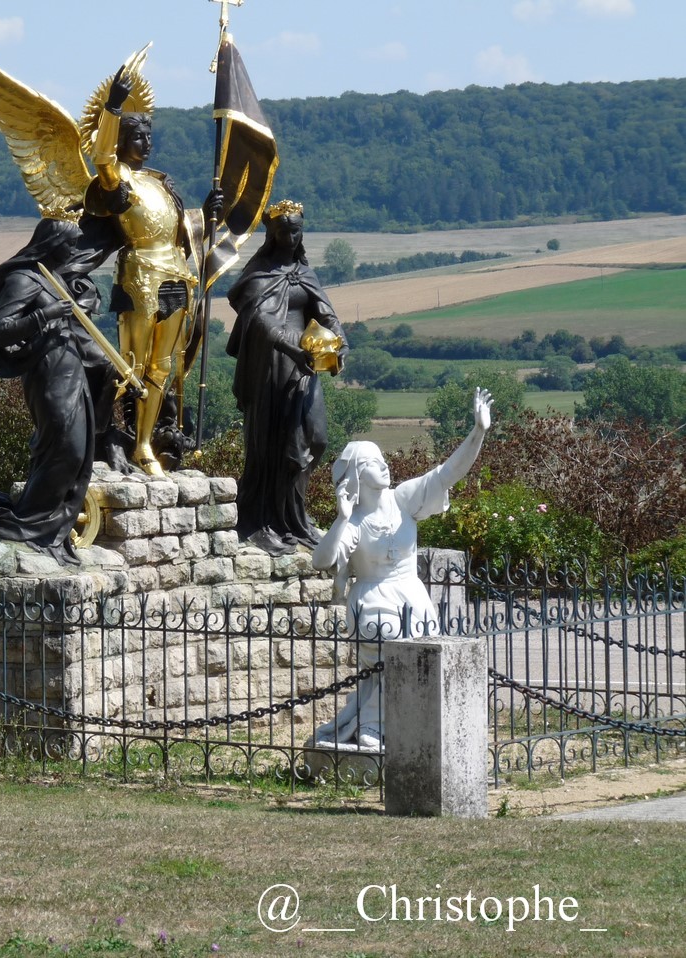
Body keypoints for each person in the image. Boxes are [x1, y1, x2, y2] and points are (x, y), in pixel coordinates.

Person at [309, 388, 494, 749]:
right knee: (390, 647)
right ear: (359, 476)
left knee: (416, 660)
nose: (386, 465)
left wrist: (479, 432)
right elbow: (322, 560)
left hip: (413, 596)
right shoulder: (355, 523)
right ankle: (374, 725)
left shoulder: (403, 500)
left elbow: (447, 474)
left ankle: (397, 722)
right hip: (372, 598)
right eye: (376, 463)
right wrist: (341, 518)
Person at [85, 62, 222, 478]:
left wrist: (206, 213)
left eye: (148, 136)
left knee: (163, 365)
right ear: (122, 140)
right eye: (137, 136)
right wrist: (111, 108)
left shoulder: (162, 184)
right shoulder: (117, 179)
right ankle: (104, 434)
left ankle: (144, 443)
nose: (145, 143)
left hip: (177, 274)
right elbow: (101, 155)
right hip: (139, 273)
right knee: (132, 365)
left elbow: (178, 229)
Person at [0, 217, 114, 565]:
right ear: (53, 244)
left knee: (79, 453)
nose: (76, 250)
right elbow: (1, 331)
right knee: (64, 446)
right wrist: (46, 313)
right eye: (71, 243)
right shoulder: (25, 280)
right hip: (48, 376)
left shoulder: (57, 280)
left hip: (72, 371)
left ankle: (51, 532)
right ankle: (31, 524)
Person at [226, 200, 346, 555]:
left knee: (316, 439)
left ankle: (294, 516)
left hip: (305, 367)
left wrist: (340, 342)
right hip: (270, 367)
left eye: (297, 231)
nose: (291, 237)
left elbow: (325, 313)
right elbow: (261, 321)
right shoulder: (259, 273)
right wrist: (293, 347)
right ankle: (263, 520)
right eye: (284, 231)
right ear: (272, 234)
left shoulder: (305, 272)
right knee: (269, 445)